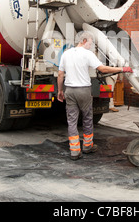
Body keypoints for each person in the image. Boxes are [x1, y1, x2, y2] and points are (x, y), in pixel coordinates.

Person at [57, 31, 133, 160]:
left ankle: (74, 151)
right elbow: (103, 69)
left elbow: (60, 74)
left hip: (69, 90)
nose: (91, 46)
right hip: (83, 90)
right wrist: (121, 69)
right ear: (84, 41)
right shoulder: (87, 54)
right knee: (87, 118)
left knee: (72, 121)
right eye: (91, 43)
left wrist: (60, 90)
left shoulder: (66, 53)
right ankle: (87, 146)